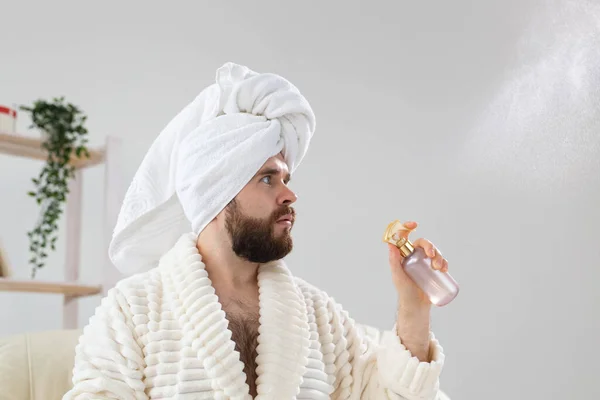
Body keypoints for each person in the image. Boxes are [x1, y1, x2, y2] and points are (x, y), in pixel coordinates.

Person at [63, 62, 451, 400]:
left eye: (286, 178)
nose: (289, 194)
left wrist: (412, 307)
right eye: (268, 179)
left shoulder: (318, 315)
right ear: (216, 194)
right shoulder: (134, 310)